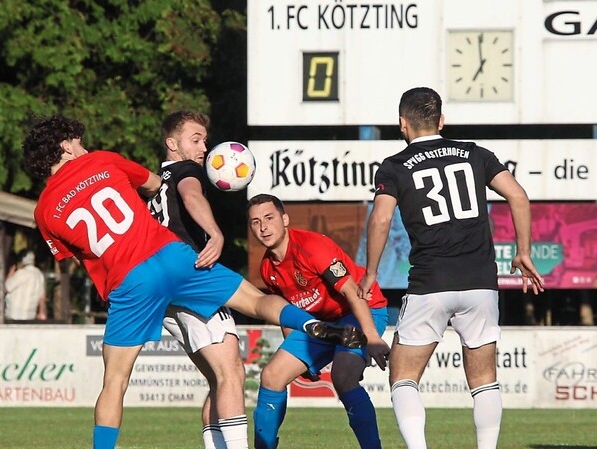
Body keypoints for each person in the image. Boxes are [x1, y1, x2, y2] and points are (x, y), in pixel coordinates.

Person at [22, 114, 366, 449]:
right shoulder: (102, 160)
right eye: (78, 143)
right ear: (65, 146)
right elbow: (156, 185)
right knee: (254, 303)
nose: (84, 147)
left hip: (129, 281)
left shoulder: (43, 212)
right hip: (173, 256)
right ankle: (311, 324)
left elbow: (80, 257)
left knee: (114, 381)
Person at [356, 87, 544, 449]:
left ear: (402, 124)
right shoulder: (476, 154)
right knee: (484, 379)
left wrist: (371, 272)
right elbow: (519, 196)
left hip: (430, 282)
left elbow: (380, 219)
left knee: (404, 376)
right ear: (442, 121)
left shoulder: (394, 166)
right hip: (480, 282)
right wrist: (522, 252)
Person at [247, 194, 391, 449]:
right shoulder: (268, 269)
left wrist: (372, 337)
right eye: (256, 222)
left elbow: (352, 292)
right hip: (321, 323)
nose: (263, 227)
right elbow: (287, 314)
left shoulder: (312, 247)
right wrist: (298, 357)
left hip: (362, 309)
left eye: (269, 218)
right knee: (271, 376)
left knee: (343, 376)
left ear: (285, 219)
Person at [147, 110, 246, 449]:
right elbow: (192, 196)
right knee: (231, 373)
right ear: (171, 144)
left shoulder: (153, 185)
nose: (205, 147)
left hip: (161, 290)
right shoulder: (186, 171)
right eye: (195, 139)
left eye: (204, 139)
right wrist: (215, 234)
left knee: (219, 380)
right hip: (193, 281)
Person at [4, 250, 47, 321]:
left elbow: (4, 289)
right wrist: (41, 312)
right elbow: (42, 297)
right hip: (30, 317)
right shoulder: (39, 275)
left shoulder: (20, 273)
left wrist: (10, 275)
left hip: (13, 316)